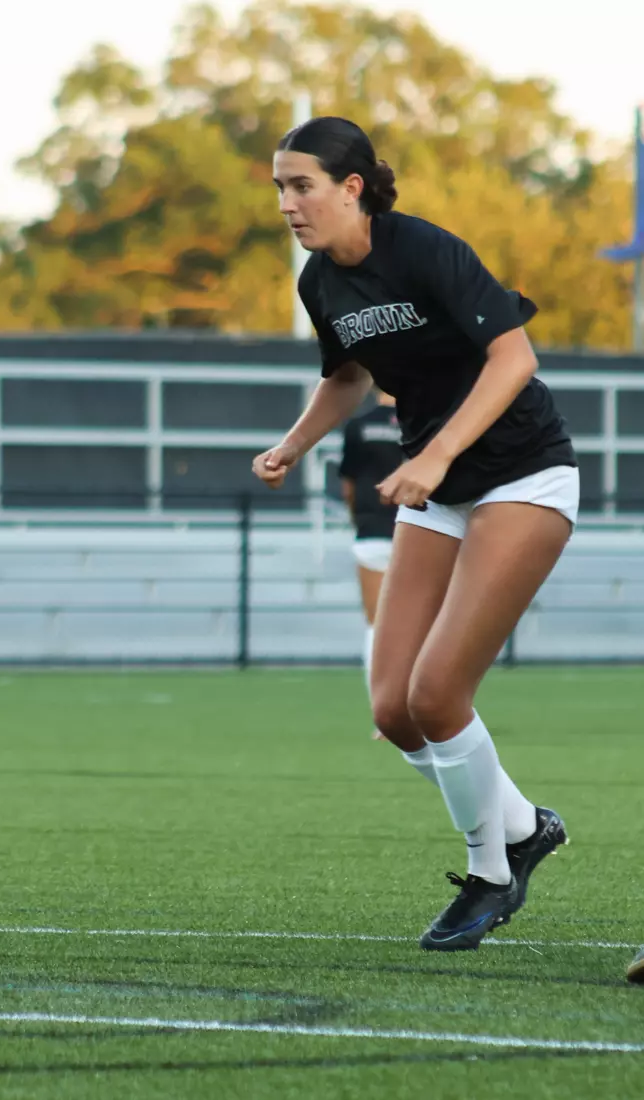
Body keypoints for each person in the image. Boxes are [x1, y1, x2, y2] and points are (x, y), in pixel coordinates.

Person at [254, 116, 576, 952]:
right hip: (435, 489)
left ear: (351, 187)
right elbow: (350, 377)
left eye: (303, 186)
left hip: (523, 476)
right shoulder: (320, 284)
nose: (288, 204)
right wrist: (295, 443)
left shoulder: (426, 250)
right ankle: (523, 826)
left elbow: (515, 361)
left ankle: (490, 874)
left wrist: (433, 457)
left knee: (438, 696)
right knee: (395, 709)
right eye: (281, 188)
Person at [338, 390, 401, 739]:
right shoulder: (422, 422)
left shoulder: (358, 427)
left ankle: (384, 718)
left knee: (377, 626)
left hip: (372, 531)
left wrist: (356, 518)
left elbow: (348, 484)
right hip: (418, 532)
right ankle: (429, 712)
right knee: (423, 626)